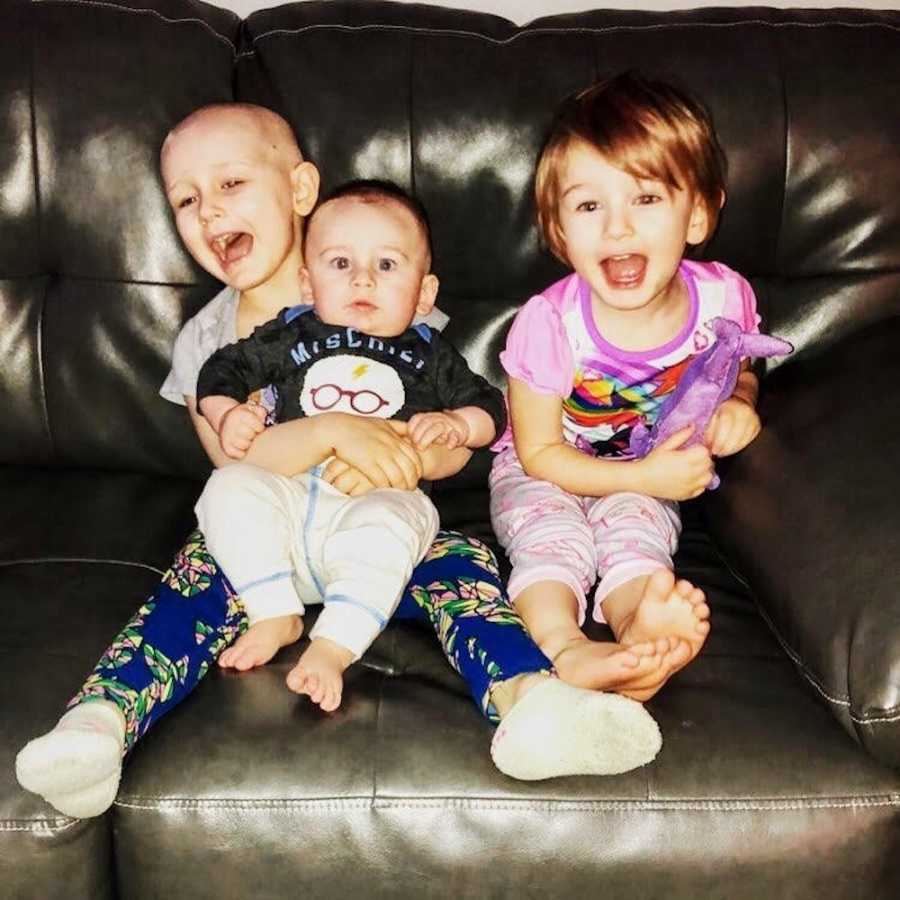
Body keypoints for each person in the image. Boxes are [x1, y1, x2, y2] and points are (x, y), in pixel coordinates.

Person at [15, 102, 667, 818]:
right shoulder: (206, 345)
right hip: (270, 542)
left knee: (466, 570)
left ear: (299, 191)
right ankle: (99, 724)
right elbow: (237, 463)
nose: (209, 212)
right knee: (192, 581)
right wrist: (334, 433)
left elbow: (452, 422)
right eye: (187, 200)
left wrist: (420, 453)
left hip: (387, 525)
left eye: (231, 185)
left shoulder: (380, 280)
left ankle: (533, 703)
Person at [491, 71, 762, 703]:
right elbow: (539, 455)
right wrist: (644, 478)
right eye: (589, 206)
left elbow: (741, 363)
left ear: (696, 214)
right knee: (551, 539)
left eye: (645, 198)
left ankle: (639, 635)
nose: (616, 228)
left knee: (639, 537)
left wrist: (743, 399)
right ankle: (568, 648)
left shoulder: (725, 297)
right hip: (545, 469)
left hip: (646, 472)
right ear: (559, 234)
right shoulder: (549, 323)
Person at [193, 179, 507, 713]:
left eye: (387, 265)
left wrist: (459, 424)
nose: (362, 278)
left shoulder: (429, 352)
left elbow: (490, 407)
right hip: (290, 494)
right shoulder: (290, 335)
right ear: (308, 283)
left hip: (379, 495)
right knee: (226, 487)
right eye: (339, 264)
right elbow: (221, 370)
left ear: (424, 294)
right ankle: (274, 611)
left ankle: (333, 646)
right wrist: (229, 415)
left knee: (393, 524)